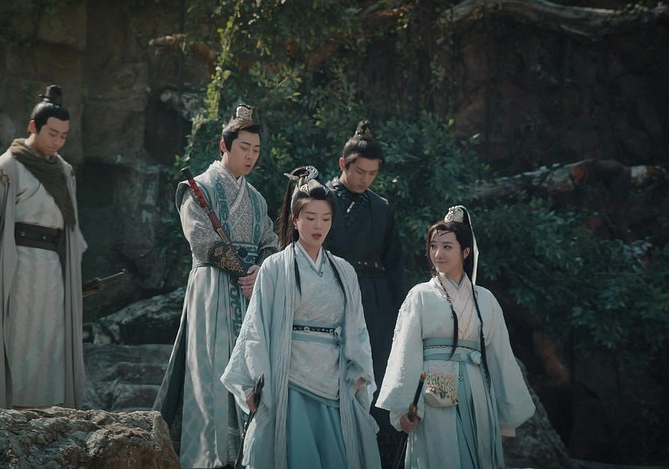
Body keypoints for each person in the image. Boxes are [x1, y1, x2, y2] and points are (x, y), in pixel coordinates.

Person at [221, 166, 380, 469]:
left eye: (326, 219)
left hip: (335, 377)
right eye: (310, 218)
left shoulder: (343, 271)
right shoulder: (274, 267)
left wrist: (359, 368)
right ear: (295, 219)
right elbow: (256, 327)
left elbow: (357, 328)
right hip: (288, 377)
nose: (318, 226)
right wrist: (252, 381)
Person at [0, 85, 87, 410]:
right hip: (16, 264)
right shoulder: (6, 168)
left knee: (50, 336)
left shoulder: (64, 171)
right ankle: (8, 406)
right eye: (52, 134)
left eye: (64, 136)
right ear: (33, 127)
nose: (58, 142)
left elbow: (70, 227)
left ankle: (46, 407)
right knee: (15, 335)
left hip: (52, 268)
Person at [154, 104, 278, 468]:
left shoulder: (256, 199)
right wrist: (244, 271)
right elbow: (202, 241)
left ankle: (245, 457)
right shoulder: (198, 188)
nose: (251, 156)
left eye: (256, 150)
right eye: (244, 148)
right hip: (212, 289)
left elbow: (270, 240)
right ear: (224, 146)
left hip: (250, 294)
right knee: (209, 371)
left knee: (250, 373)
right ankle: (206, 458)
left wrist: (260, 270)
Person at [376, 205, 535, 468]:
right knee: (441, 450)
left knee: (476, 450)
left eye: (447, 247)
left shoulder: (485, 299)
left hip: (476, 386)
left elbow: (500, 356)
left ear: (466, 252)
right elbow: (405, 351)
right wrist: (404, 406)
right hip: (436, 380)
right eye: (433, 246)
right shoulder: (420, 295)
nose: (438, 254)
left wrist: (507, 414)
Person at [324, 120, 403, 465]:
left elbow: (394, 264)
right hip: (332, 294)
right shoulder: (320, 199)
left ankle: (378, 455)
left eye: (373, 173)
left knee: (377, 370)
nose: (366, 179)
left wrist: (400, 316)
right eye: (360, 172)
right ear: (343, 164)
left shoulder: (382, 207)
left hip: (375, 300)